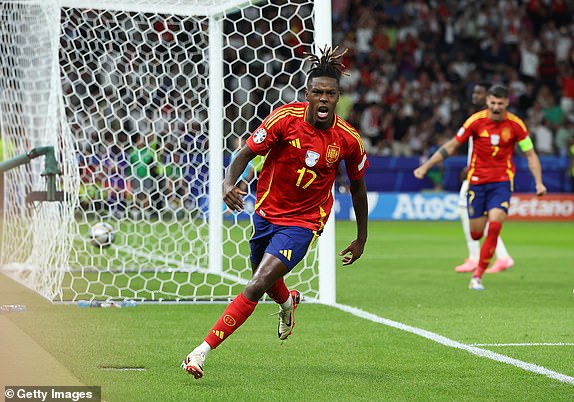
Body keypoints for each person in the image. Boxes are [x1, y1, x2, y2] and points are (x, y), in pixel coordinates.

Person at [181, 46, 369, 378]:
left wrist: (361, 238)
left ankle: (199, 352)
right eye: (318, 92)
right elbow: (245, 152)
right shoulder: (284, 119)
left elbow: (357, 187)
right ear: (307, 94)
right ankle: (288, 302)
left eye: (331, 93)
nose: (324, 99)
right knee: (267, 282)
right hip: (266, 213)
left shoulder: (349, 140)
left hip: (304, 222)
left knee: (256, 284)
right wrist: (228, 182)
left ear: (338, 97)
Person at [414, 85, 546, 290]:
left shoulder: (516, 125)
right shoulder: (475, 121)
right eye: (493, 103)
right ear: (488, 102)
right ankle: (485, 258)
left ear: (506, 103)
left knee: (495, 225)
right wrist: (426, 166)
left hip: (501, 182)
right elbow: (452, 145)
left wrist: (538, 182)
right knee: (476, 233)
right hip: (476, 183)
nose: (496, 107)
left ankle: (478, 276)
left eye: (500, 104)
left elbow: (530, 154)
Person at [454, 82, 514, 274]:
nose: (474, 95)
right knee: (476, 215)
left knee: (470, 211)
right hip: (475, 171)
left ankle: (479, 257)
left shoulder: (490, 117)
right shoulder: (477, 117)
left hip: (484, 175)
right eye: (474, 91)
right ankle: (498, 257)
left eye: (479, 92)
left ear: (488, 97)